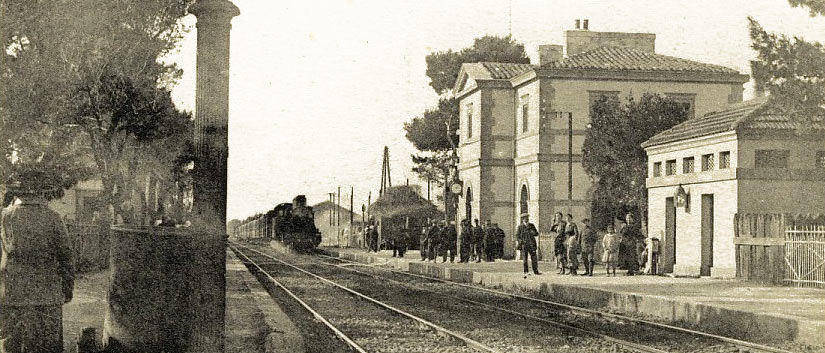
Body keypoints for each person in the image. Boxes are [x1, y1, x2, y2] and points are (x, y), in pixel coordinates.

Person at [1, 179, 74, 353]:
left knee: (13, 345)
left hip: (13, 294)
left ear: (18, 193)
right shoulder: (54, 218)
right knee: (46, 346)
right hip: (47, 296)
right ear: (42, 193)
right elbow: (67, 257)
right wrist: (68, 288)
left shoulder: (4, 216)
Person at [516, 213, 540, 278]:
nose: (527, 219)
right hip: (524, 245)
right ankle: (526, 271)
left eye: (527, 218)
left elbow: (536, 233)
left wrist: (534, 233)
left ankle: (535, 271)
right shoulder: (520, 227)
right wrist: (521, 241)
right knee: (525, 258)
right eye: (525, 218)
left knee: (534, 258)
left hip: (532, 244)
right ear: (523, 219)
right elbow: (517, 236)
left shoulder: (532, 225)